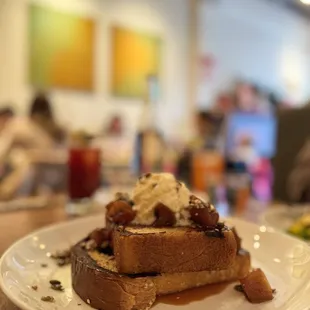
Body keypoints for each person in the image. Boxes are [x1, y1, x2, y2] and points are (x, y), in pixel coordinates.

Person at [0, 93, 66, 200]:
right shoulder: (57, 129)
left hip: (35, 174)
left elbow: (2, 150)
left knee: (22, 158)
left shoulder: (20, 125)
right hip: (56, 181)